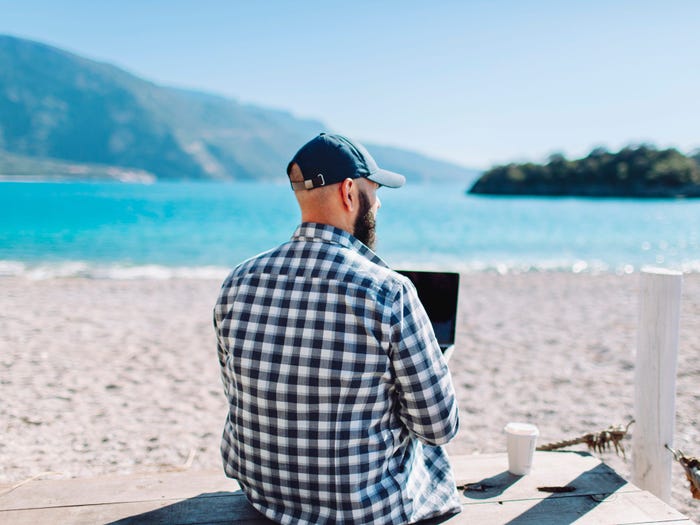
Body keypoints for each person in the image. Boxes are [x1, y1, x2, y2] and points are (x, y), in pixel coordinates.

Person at [214, 133, 460, 524]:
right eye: (374, 191)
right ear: (349, 192)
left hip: (263, 494)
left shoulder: (238, 280)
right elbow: (439, 426)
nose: (377, 203)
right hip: (362, 508)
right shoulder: (388, 291)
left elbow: (238, 390)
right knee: (431, 448)